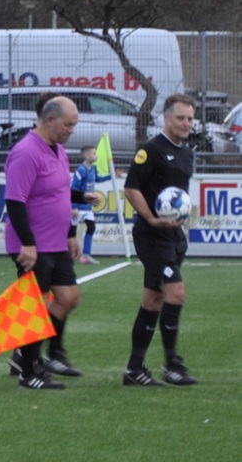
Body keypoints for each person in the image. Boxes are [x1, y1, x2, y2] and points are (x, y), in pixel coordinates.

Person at [2, 95, 98, 389]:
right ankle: (29, 373)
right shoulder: (26, 152)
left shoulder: (59, 151)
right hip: (34, 245)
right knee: (36, 306)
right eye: (69, 124)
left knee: (68, 298)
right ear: (50, 120)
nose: (72, 130)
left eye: (75, 124)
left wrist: (71, 232)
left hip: (56, 242)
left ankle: (26, 356)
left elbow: (58, 194)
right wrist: (28, 245)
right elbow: (15, 201)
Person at [121, 93, 198, 387]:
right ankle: (172, 364)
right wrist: (152, 218)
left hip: (174, 235)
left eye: (190, 118)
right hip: (151, 235)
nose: (186, 123)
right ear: (166, 118)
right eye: (180, 118)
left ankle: (134, 369)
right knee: (175, 294)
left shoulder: (187, 153)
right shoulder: (150, 150)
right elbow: (131, 188)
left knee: (153, 300)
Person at [72, 146, 100, 265]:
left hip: (87, 207)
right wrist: (73, 207)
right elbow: (73, 188)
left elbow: (98, 179)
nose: (96, 156)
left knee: (91, 227)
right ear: (87, 156)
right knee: (71, 231)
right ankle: (69, 254)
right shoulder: (81, 170)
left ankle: (86, 255)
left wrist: (114, 176)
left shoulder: (93, 168)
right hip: (78, 206)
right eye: (94, 154)